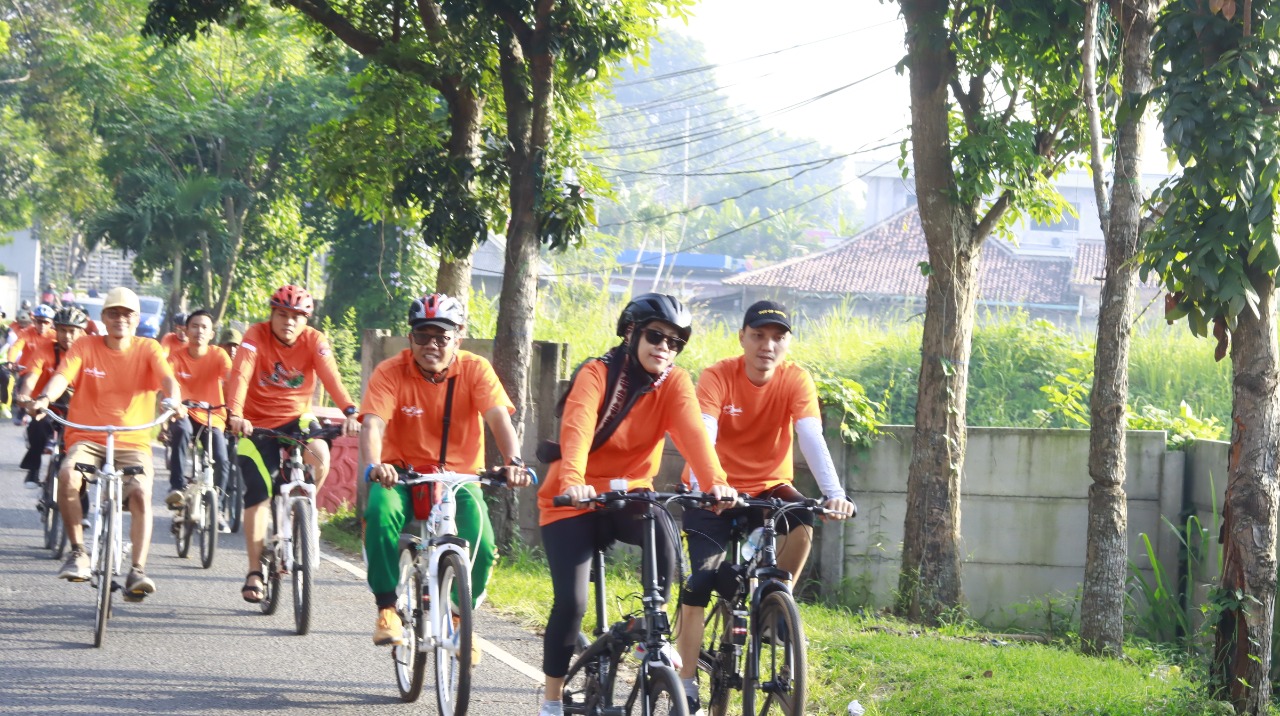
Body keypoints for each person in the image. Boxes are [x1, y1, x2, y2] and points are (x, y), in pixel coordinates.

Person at [536, 293, 736, 716]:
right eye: (655, 335)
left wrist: (715, 482)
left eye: (675, 342)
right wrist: (573, 481)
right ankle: (551, 701)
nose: (665, 346)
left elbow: (694, 437)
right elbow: (577, 428)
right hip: (573, 502)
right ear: (631, 333)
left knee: (663, 529)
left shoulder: (675, 383)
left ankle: (655, 636)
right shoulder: (597, 374)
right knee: (571, 605)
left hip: (630, 498)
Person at [672, 300, 857, 713]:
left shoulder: (795, 380)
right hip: (712, 491)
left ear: (787, 343)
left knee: (803, 519)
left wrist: (834, 493)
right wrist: (712, 485)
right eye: (758, 335)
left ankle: (776, 603)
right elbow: (703, 431)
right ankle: (686, 680)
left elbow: (810, 435)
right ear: (742, 337)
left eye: (778, 337)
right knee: (702, 581)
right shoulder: (719, 375)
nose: (767, 345)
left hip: (769, 488)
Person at [362, 293, 531, 654]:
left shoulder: (475, 370)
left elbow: (499, 417)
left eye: (442, 336)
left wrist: (513, 462)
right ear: (411, 339)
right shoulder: (390, 372)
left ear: (459, 336)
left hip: (458, 480)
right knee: (379, 512)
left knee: (483, 545)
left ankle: (457, 617)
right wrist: (376, 465)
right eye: (423, 336)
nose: (432, 345)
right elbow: (373, 424)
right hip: (401, 476)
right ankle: (387, 607)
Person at [30, 287, 186, 599]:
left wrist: (173, 400)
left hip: (133, 442)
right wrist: (46, 397)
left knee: (141, 492)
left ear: (137, 318)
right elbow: (63, 375)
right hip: (87, 437)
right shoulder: (85, 345)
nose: (120, 319)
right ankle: (78, 551)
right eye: (113, 313)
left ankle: (138, 569)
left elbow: (168, 379)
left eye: (127, 314)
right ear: (103, 317)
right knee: (67, 477)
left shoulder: (148, 348)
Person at [226, 284, 359, 603]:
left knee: (322, 455)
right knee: (258, 493)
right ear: (272, 314)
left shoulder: (315, 340)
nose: (289, 322)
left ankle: (303, 511)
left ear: (306, 320)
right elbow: (240, 375)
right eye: (282, 314)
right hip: (254, 423)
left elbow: (331, 377)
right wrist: (235, 414)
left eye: (297, 317)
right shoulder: (255, 336)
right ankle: (255, 571)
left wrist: (351, 411)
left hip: (296, 418)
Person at [163, 309, 234, 533]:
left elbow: (232, 381)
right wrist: (174, 405)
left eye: (204, 327)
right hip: (184, 413)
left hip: (212, 416)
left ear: (212, 333)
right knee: (181, 431)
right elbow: (166, 383)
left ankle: (218, 509)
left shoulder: (219, 356)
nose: (199, 331)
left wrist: (237, 408)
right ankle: (176, 488)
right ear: (186, 330)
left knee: (222, 459)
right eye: (194, 326)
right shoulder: (176, 357)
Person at [13, 305, 89, 488]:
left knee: (82, 454)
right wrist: (24, 396)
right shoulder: (46, 348)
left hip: (78, 409)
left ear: (82, 332)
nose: (67, 336)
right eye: (62, 330)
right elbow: (31, 377)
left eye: (72, 331)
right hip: (47, 405)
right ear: (56, 330)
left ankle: (83, 507)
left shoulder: (89, 351)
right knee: (38, 427)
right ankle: (33, 468)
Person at [9, 305, 56, 426]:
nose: (42, 325)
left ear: (51, 323)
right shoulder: (26, 332)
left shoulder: (55, 336)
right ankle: (21, 410)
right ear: (34, 321)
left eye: (46, 322)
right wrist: (10, 361)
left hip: (46, 372)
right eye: (39, 322)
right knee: (23, 387)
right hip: (26, 370)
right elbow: (16, 347)